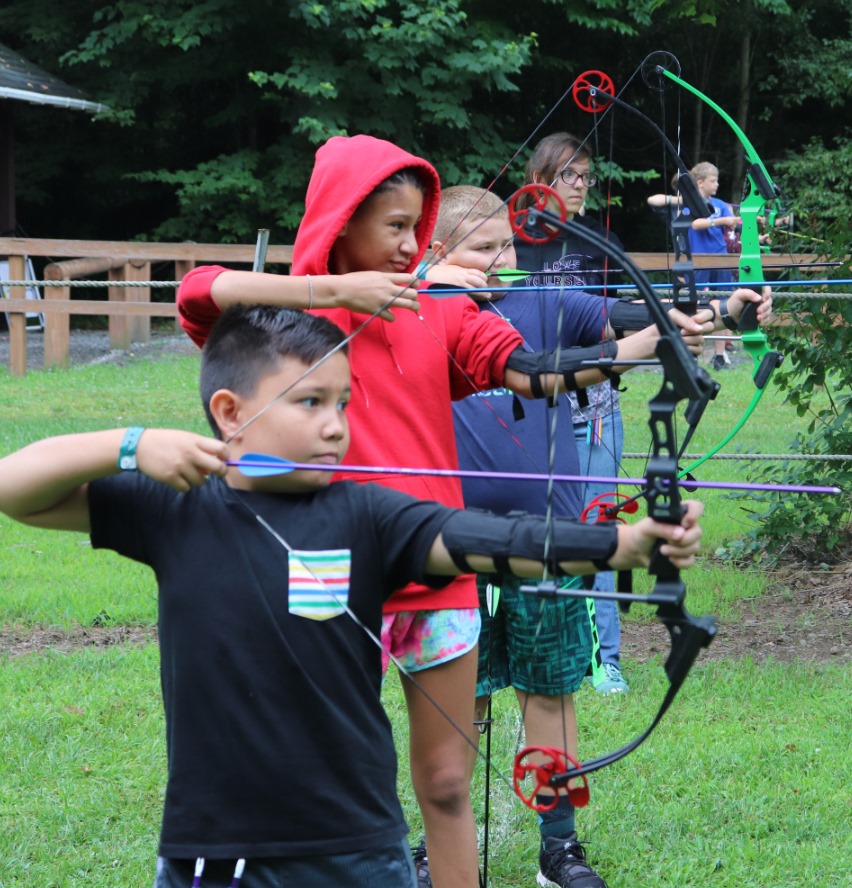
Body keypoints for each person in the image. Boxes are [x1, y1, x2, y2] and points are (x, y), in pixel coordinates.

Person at [0, 304, 705, 888]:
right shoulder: (174, 511)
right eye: (310, 402)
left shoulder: (369, 515)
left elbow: (481, 538)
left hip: (357, 844)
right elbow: (16, 487)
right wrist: (130, 444)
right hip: (214, 843)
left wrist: (621, 545)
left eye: (343, 401)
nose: (336, 424)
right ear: (228, 410)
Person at [175, 135, 698, 888]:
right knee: (318, 774)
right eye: (391, 226)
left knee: (448, 780)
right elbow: (196, 291)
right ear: (340, 220)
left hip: (430, 564)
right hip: (319, 568)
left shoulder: (439, 305)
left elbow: (532, 371)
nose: (407, 243)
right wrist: (333, 293)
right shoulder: (282, 320)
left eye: (415, 226)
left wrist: (655, 343)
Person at [424, 184, 767, 888]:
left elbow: (636, 317)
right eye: (481, 250)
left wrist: (721, 310)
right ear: (435, 251)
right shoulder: (412, 311)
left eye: (506, 249)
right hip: (444, 538)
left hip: (544, 536)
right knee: (458, 699)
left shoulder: (543, 303)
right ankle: (439, 850)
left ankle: (560, 848)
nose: (499, 264)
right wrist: (428, 286)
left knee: (550, 691)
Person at [514, 132, 631, 696]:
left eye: (587, 176)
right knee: (539, 528)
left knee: (597, 524)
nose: (581, 185)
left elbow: (633, 316)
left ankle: (606, 659)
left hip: (595, 407)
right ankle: (547, 644)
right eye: (570, 176)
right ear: (542, 181)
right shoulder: (512, 243)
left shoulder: (600, 239)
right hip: (532, 404)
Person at [646, 161, 741, 372]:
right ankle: (686, 352)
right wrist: (723, 220)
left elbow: (734, 223)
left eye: (717, 180)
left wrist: (738, 220)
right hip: (698, 260)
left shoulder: (720, 204)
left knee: (723, 303)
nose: (717, 184)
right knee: (692, 304)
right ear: (700, 182)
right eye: (713, 180)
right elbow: (696, 223)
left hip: (721, 259)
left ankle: (719, 355)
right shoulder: (687, 203)